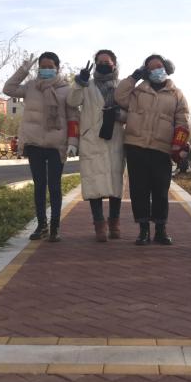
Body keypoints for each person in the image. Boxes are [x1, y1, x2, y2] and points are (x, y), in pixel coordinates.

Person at [3, 51, 79, 242]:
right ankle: (41, 225)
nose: (45, 70)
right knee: (39, 186)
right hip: (34, 143)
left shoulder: (66, 90)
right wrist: (22, 70)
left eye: (49, 67)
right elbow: (8, 89)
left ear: (57, 68)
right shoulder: (31, 87)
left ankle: (55, 227)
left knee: (54, 186)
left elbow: (73, 118)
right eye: (42, 67)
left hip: (56, 145)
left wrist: (72, 142)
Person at [115, 54, 190, 245]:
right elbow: (119, 97)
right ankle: (143, 230)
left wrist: (178, 146)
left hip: (162, 149)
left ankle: (160, 230)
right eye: (151, 68)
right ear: (146, 71)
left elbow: (183, 122)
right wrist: (133, 77)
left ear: (166, 67)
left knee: (160, 191)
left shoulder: (176, 94)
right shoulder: (137, 91)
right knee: (138, 190)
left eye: (159, 66)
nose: (156, 70)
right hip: (136, 146)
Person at [68, 49, 126, 242]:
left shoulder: (121, 86)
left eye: (107, 62)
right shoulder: (87, 85)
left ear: (114, 64)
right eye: (100, 62)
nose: (103, 65)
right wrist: (80, 82)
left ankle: (114, 223)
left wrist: (118, 115)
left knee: (116, 183)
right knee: (94, 183)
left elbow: (132, 111)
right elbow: (72, 101)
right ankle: (99, 224)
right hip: (91, 140)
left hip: (115, 139)